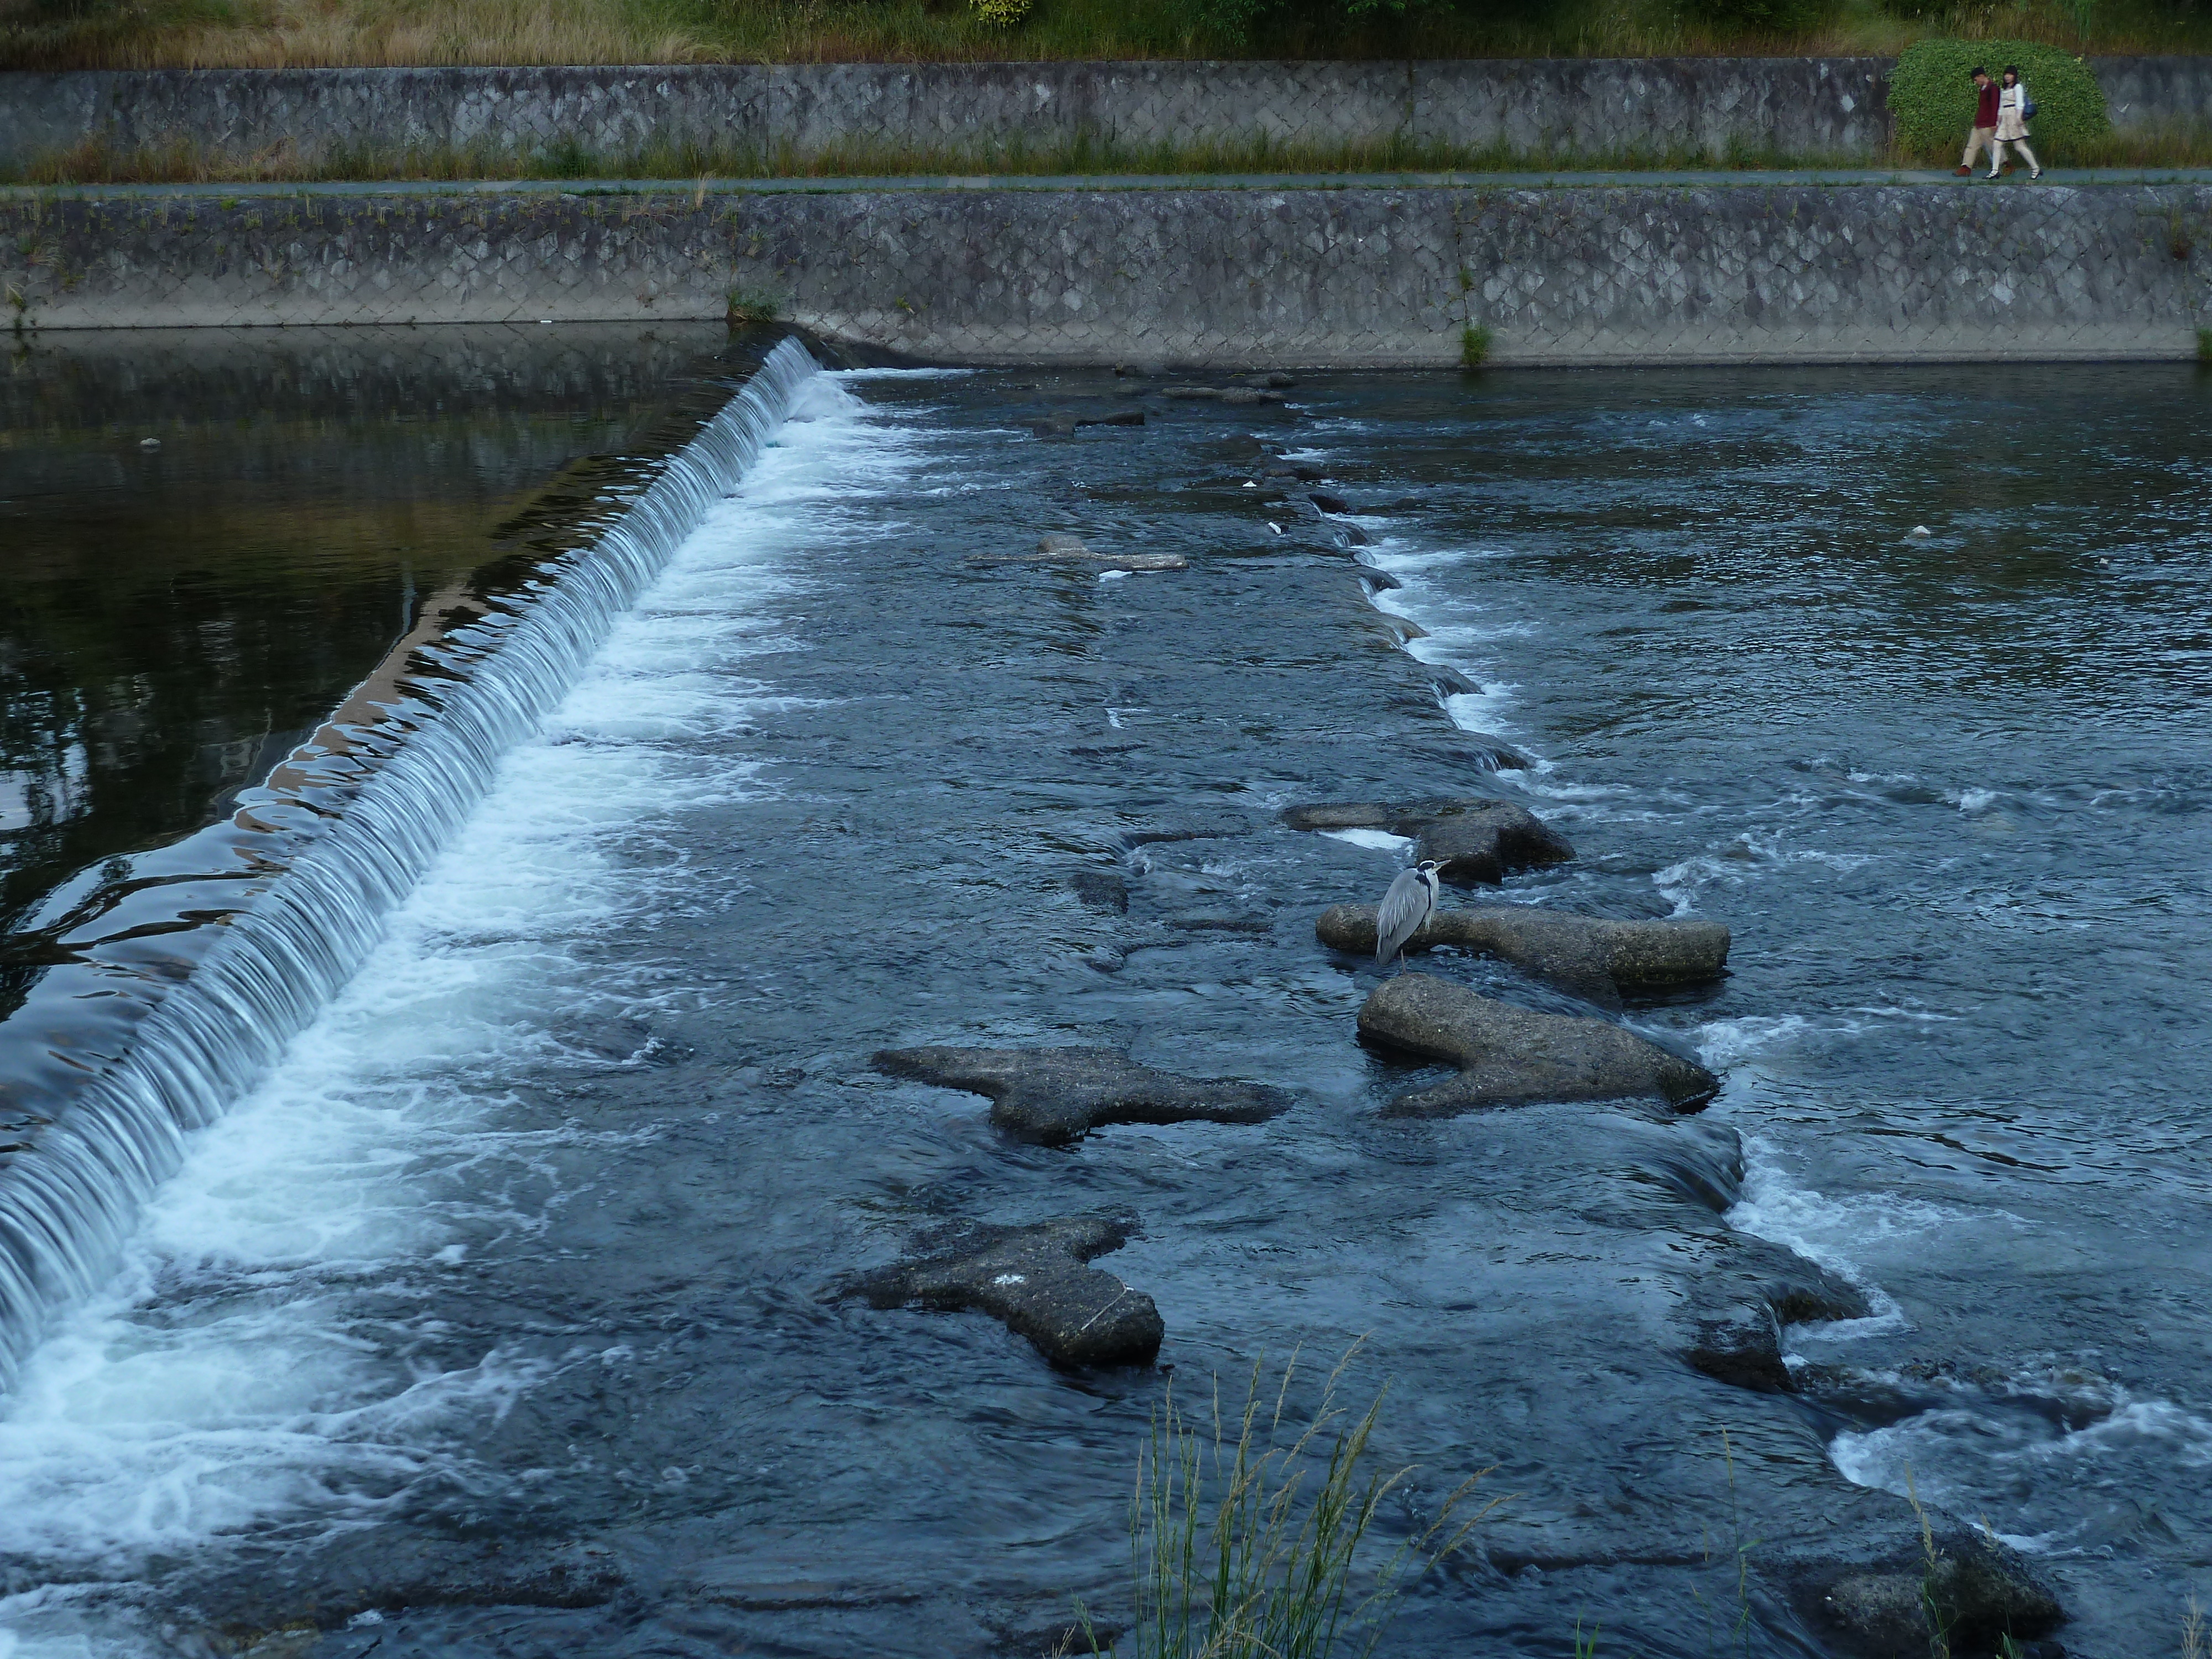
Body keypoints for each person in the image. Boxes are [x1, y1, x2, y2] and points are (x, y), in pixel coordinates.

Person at [1992, 65, 2042, 180]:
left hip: (2013, 117)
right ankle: (1995, 170)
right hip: (2005, 118)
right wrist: (1998, 120)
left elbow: (2020, 103)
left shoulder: (2017, 87)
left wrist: (2019, 118)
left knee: (2020, 146)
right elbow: (2001, 106)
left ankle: (2035, 168)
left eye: (2010, 75)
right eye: (2006, 74)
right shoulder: (2003, 89)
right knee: (1997, 143)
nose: (2007, 77)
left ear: (2014, 76)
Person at [1957, 66, 2001, 177]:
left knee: (1993, 146)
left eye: (1976, 80)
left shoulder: (1993, 88)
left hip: (1988, 124)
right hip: (1979, 123)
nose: (1975, 82)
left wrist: (1994, 123)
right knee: (1972, 146)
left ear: (1981, 76)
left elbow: (1995, 106)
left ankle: (2005, 163)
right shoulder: (1983, 89)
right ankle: (1966, 167)